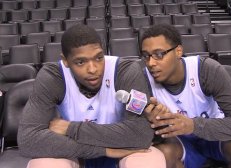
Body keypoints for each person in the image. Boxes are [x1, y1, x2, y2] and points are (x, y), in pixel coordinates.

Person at [18, 24, 166, 168]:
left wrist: (72, 129)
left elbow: (140, 134)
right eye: (80, 62)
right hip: (79, 154)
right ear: (65, 61)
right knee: (45, 164)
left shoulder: (125, 71)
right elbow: (28, 140)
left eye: (98, 58)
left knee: (149, 159)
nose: (93, 69)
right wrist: (103, 151)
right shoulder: (53, 76)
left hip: (125, 153)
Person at [140, 24, 231, 168]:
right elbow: (139, 136)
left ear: (178, 51)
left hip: (215, 135)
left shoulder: (205, 70)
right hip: (179, 142)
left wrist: (193, 125)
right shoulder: (142, 79)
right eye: (146, 56)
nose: (151, 63)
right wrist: (153, 126)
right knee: (161, 155)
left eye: (159, 54)